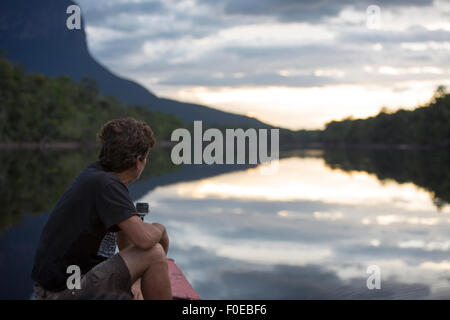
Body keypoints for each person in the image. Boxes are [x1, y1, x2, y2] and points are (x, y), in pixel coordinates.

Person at [31, 118, 172, 300]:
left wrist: (135, 281)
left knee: (149, 253)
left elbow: (127, 239)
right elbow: (145, 241)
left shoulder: (98, 176)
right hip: (61, 291)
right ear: (139, 160)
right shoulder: (107, 185)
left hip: (58, 284)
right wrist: (160, 229)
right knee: (155, 253)